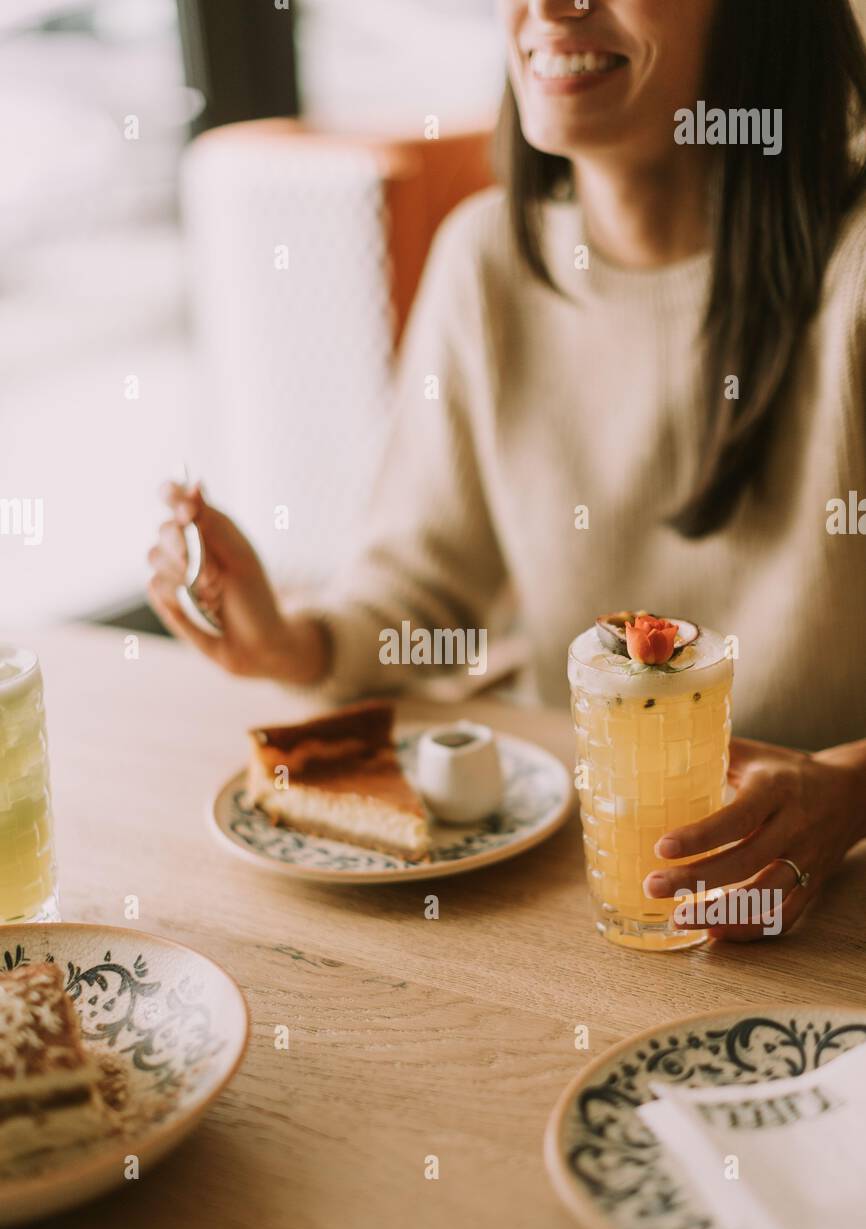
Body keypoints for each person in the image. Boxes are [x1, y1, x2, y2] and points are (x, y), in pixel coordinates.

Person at [148, 0, 866, 938]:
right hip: (575, 886)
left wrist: (848, 791)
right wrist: (289, 641)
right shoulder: (486, 257)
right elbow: (418, 588)